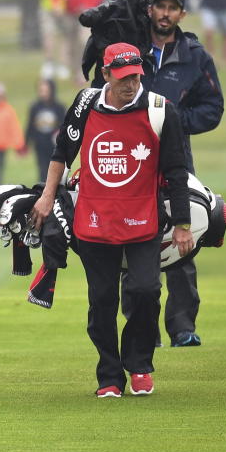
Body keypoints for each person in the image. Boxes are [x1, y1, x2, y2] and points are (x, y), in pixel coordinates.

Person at [30, 42, 194, 398]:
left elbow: (177, 170)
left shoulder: (160, 110)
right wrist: (46, 197)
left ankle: (138, 365)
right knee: (101, 301)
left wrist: (182, 223)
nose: (130, 85)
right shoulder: (85, 105)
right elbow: (62, 153)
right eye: (122, 78)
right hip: (93, 221)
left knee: (146, 291)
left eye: (135, 77)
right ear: (105, 75)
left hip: (143, 220)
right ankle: (109, 375)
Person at [135, 0, 224, 347]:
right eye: (160, 6)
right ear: (150, 11)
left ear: (182, 15)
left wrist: (173, 121)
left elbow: (212, 108)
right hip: (133, 159)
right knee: (135, 237)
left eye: (173, 8)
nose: (166, 13)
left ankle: (183, 326)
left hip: (176, 159)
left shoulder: (195, 56)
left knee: (183, 235)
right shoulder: (132, 49)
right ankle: (143, 328)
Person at [25, 78, 65, 182]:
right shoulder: (35, 107)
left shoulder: (59, 107)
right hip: (40, 145)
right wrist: (26, 142)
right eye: (41, 90)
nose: (43, 93)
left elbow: (63, 126)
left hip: (54, 146)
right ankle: (43, 191)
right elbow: (30, 125)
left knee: (55, 170)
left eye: (45, 90)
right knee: (42, 170)